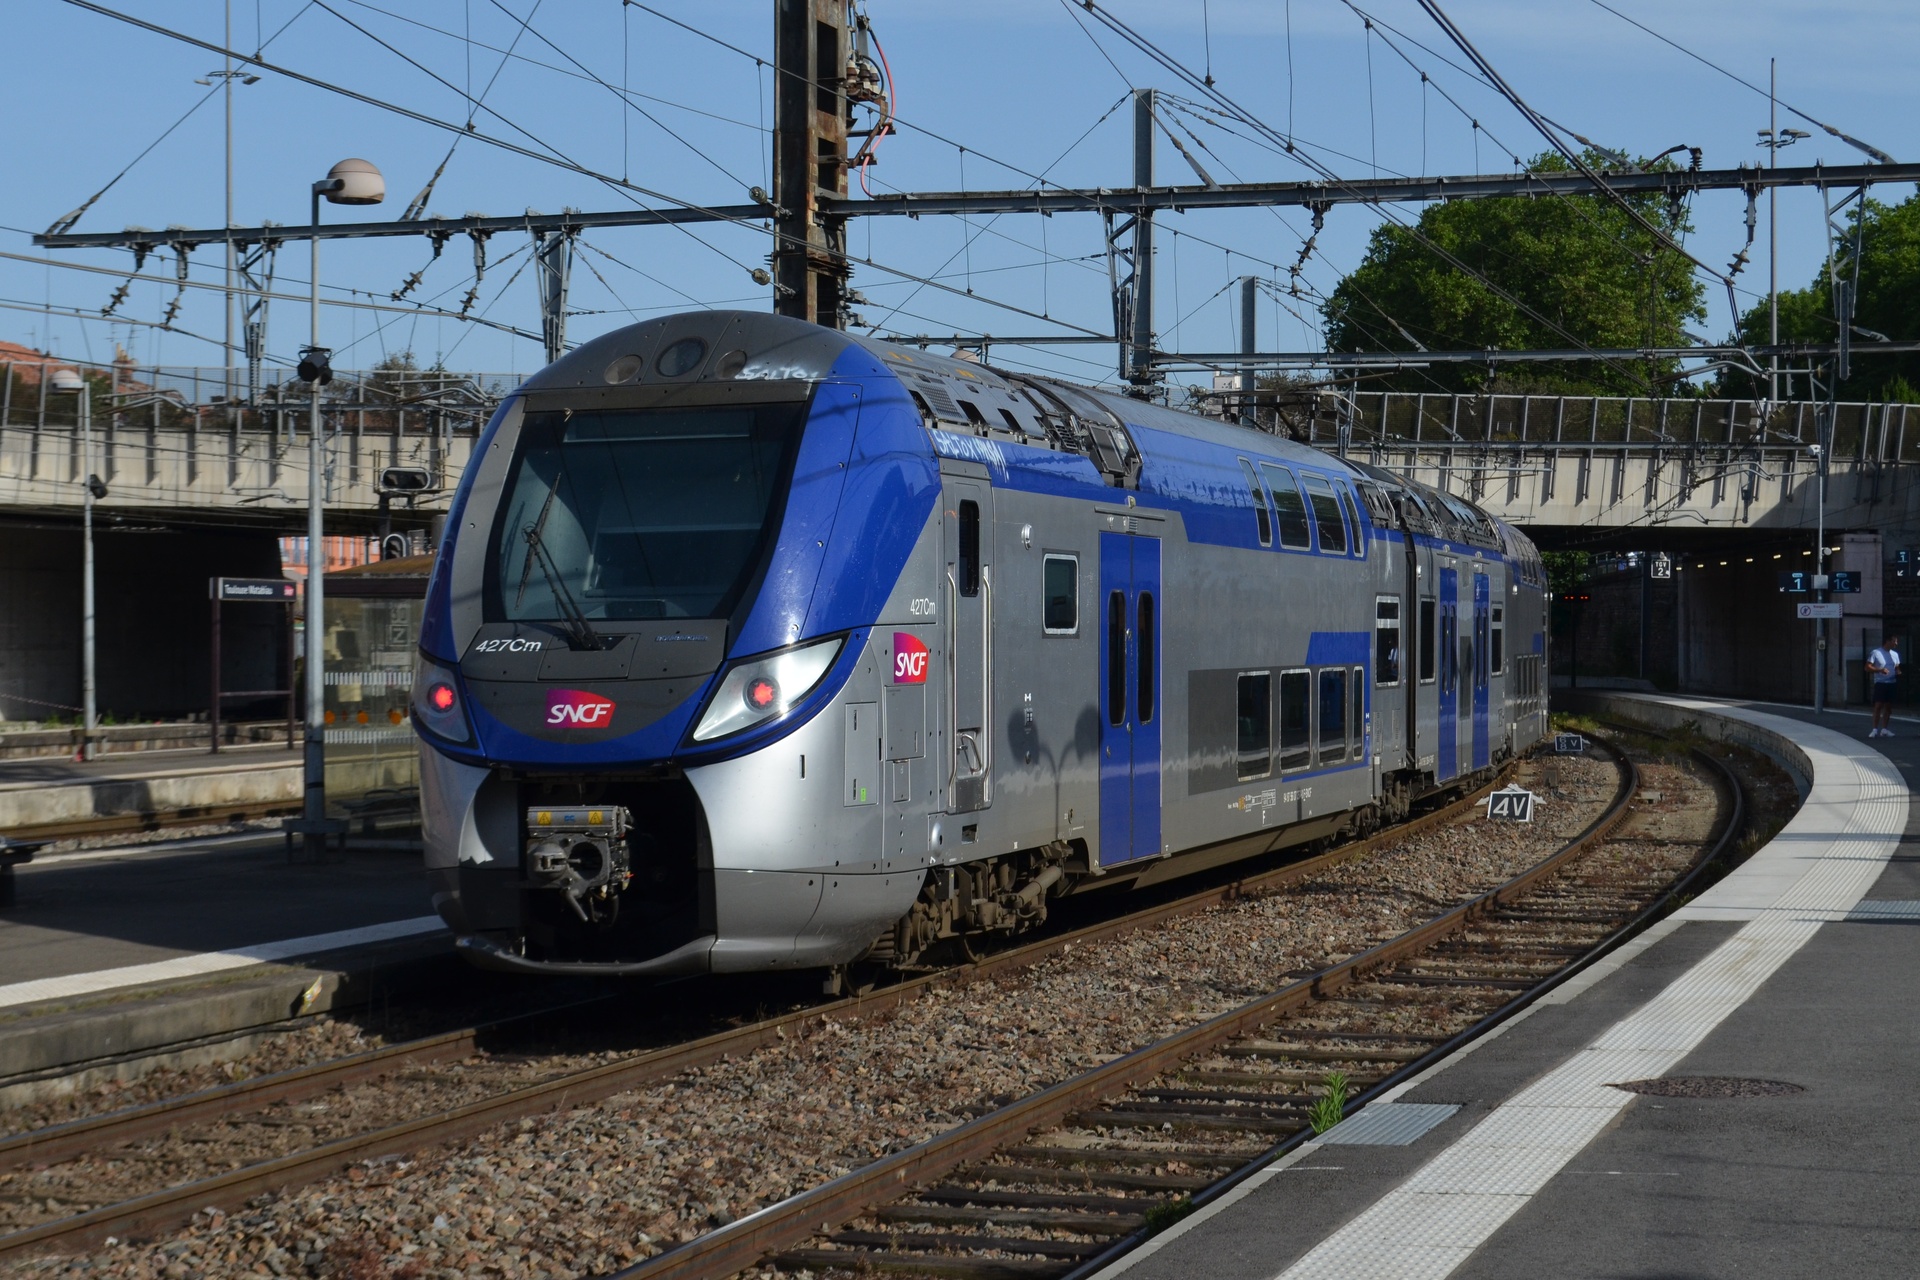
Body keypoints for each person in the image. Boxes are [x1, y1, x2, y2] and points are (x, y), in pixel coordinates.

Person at [1867, 633, 1902, 737]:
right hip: (1880, 683)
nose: (1896, 643)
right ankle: (1874, 729)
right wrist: (1880, 670)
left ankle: (1885, 729)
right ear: (1888, 641)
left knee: (1888, 707)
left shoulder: (1895, 654)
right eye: (1894, 641)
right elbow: (1867, 667)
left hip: (1891, 683)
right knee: (1878, 706)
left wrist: (1898, 672)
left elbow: (1897, 667)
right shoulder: (1876, 653)